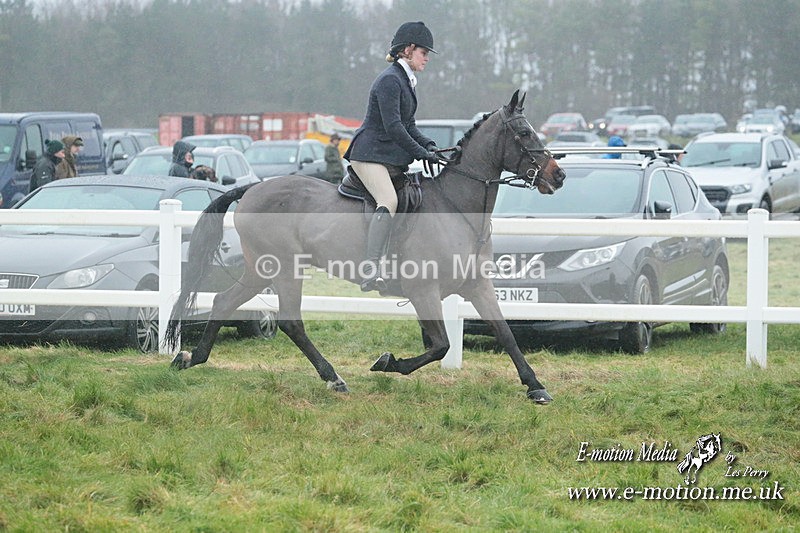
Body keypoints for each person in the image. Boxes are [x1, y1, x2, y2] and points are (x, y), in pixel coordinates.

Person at [343, 21, 439, 292]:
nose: (427, 58)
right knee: (388, 200)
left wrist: (429, 146)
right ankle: (371, 268)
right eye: (423, 52)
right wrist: (420, 153)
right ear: (408, 50)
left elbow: (409, 125)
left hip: (385, 155)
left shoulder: (405, 81)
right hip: (369, 154)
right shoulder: (390, 80)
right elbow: (394, 127)